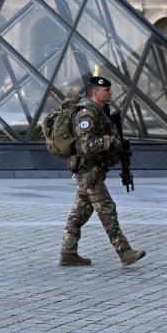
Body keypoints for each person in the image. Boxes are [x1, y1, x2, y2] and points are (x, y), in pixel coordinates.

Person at [59, 76, 146, 267]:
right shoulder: (86, 115)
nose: (110, 92)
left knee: (80, 211)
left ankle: (68, 251)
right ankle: (124, 251)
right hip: (88, 170)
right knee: (107, 210)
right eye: (107, 89)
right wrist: (109, 141)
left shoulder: (101, 111)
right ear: (95, 92)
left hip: (94, 170)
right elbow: (85, 147)